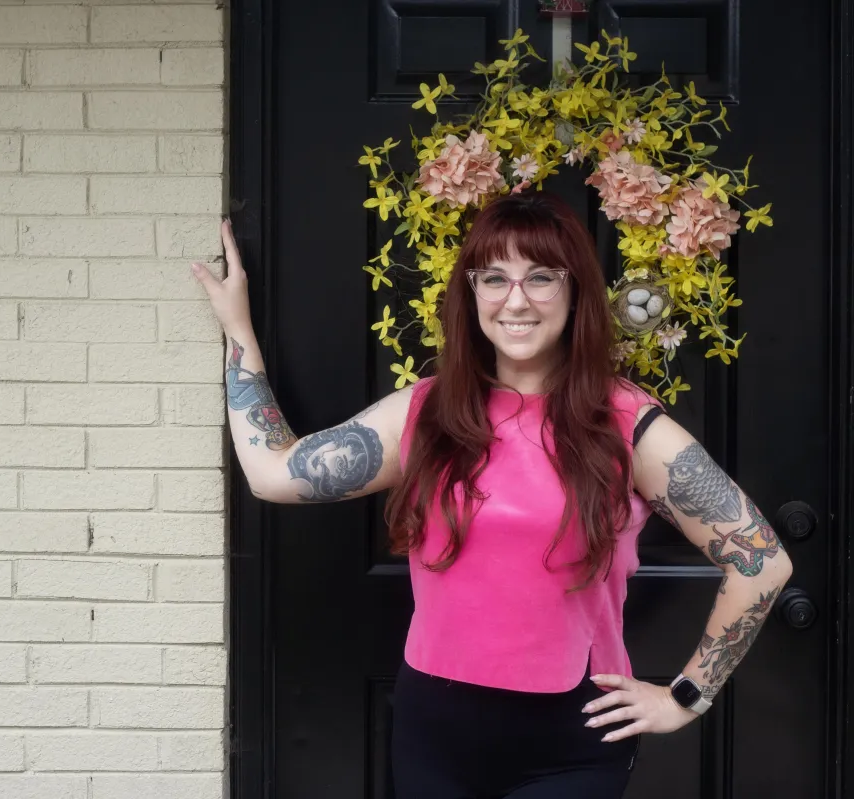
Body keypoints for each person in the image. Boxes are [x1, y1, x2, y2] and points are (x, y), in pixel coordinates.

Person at [189, 192, 792, 799]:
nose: (516, 300)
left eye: (542, 277)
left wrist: (686, 696)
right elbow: (272, 473)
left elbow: (761, 561)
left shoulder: (627, 423)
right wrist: (239, 331)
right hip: (435, 736)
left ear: (576, 291)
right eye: (495, 278)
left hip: (573, 743)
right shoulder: (426, 413)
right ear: (472, 292)